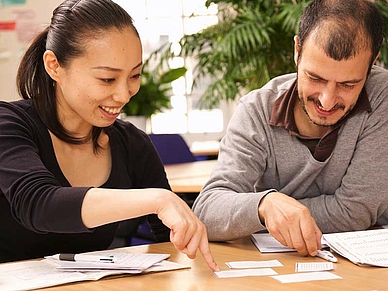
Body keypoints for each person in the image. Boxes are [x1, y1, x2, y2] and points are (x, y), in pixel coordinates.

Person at [0, 0, 219, 271]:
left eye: (135, 76)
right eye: (107, 79)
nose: (123, 94)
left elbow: (171, 242)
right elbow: (38, 203)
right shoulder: (8, 125)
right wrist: (158, 199)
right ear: (54, 65)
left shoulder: (131, 143)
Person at [193, 0, 388, 257]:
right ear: (297, 50)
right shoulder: (256, 111)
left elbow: (353, 212)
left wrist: (267, 218)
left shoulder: (382, 96)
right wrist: (264, 205)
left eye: (348, 85)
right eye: (315, 78)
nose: (327, 101)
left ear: (373, 62)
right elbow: (206, 210)